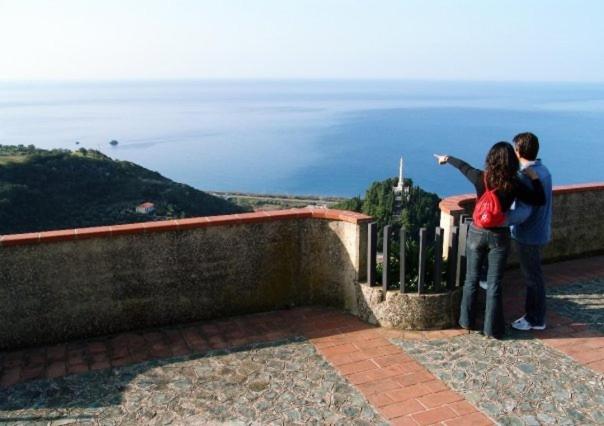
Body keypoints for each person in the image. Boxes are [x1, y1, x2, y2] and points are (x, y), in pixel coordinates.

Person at [434, 142, 546, 338]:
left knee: (471, 278)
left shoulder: (480, 178)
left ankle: (466, 321)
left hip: (477, 232)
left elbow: (463, 166)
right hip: (499, 235)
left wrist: (447, 158)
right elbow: (539, 199)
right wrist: (535, 179)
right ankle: (492, 329)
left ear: (490, 159)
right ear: (511, 160)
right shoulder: (514, 183)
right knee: (494, 284)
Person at [508, 132, 553, 331]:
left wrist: (503, 220)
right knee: (535, 276)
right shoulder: (544, 171)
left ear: (518, 151)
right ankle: (535, 316)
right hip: (541, 231)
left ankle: (535, 318)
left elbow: (524, 211)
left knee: (532, 278)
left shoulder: (525, 177)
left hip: (528, 234)